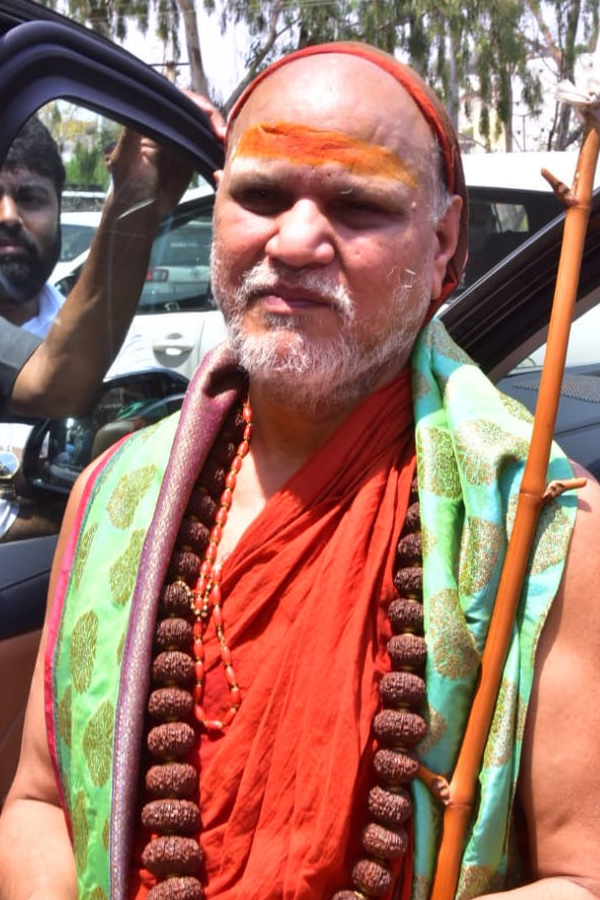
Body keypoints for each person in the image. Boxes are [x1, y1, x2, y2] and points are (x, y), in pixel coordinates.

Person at [1, 42, 600, 900]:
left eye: (356, 205)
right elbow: (39, 802)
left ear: (444, 243)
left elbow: (583, 875)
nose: (296, 239)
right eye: (261, 194)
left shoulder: (541, 527)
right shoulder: (116, 493)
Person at [0, 116, 189, 542]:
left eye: (29, 198)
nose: (8, 215)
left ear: (59, 210)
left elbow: (142, 488)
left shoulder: (117, 344)